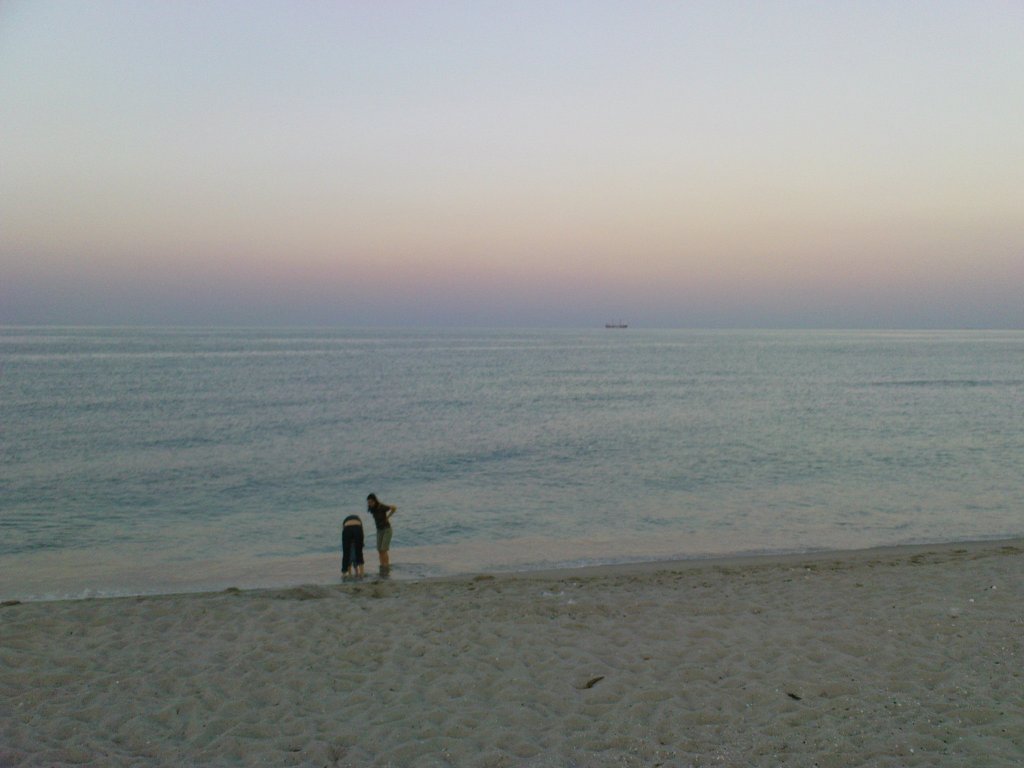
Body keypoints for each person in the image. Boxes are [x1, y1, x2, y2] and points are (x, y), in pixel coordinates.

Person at [366, 493, 397, 571]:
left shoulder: (381, 506)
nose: (369, 504)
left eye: (371, 502)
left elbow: (394, 507)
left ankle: (386, 566)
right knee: (379, 550)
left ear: (375, 501)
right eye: (368, 502)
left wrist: (388, 517)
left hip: (387, 530)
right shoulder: (372, 509)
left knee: (384, 549)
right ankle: (382, 566)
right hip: (379, 530)